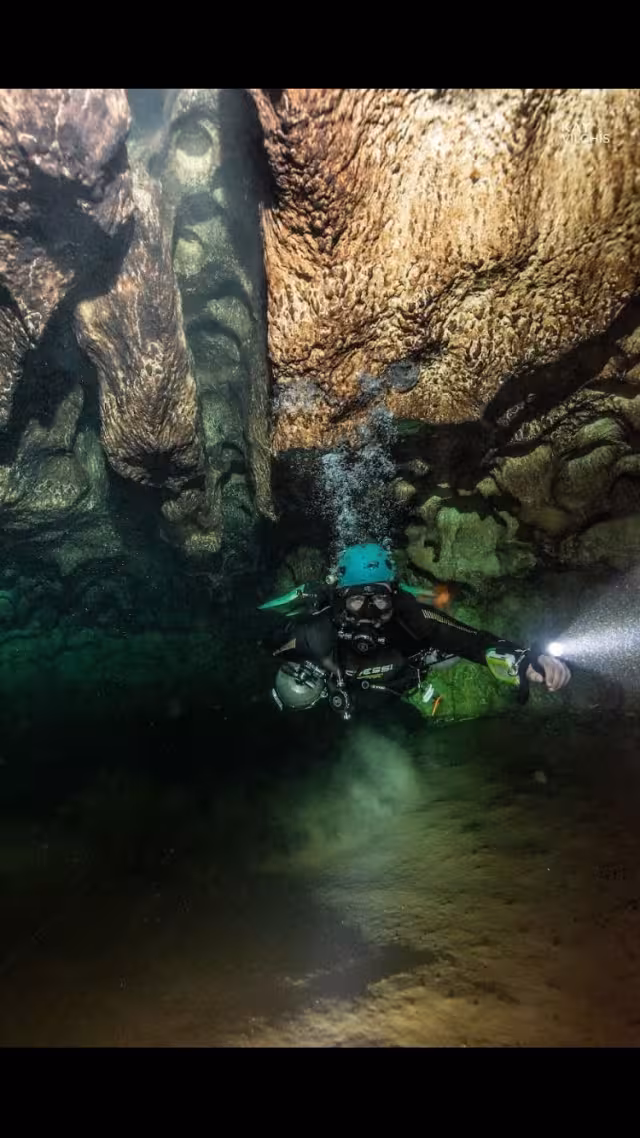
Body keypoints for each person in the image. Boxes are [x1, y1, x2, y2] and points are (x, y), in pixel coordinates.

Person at [264, 542, 571, 719]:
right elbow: (267, 643)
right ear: (340, 601)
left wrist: (526, 661)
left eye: (380, 599)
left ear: (393, 597)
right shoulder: (314, 633)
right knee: (292, 694)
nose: (369, 612)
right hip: (345, 687)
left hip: (403, 683)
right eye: (357, 600)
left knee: (448, 650)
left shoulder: (411, 616)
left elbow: (474, 642)